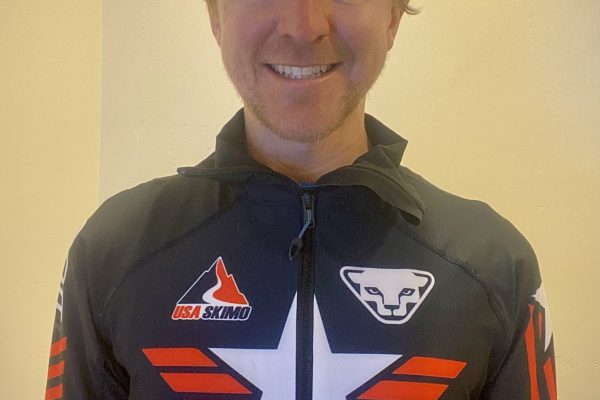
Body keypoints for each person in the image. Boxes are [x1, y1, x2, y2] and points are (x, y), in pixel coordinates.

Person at [46, 0, 557, 399]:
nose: (303, 26)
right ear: (215, 16)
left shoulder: (494, 266)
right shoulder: (113, 251)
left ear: (393, 17)